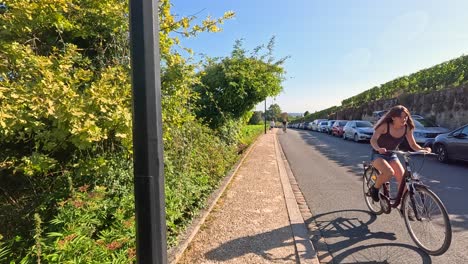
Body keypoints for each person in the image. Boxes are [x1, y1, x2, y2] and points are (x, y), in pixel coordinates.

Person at [369, 105, 431, 202]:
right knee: (389, 173)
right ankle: (375, 189)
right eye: (401, 117)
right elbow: (373, 140)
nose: (404, 119)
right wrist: (378, 148)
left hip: (392, 155)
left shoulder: (407, 128)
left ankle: (404, 207)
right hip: (378, 155)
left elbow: (413, 144)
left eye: (406, 116)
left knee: (403, 181)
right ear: (393, 117)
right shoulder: (385, 126)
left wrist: (423, 150)